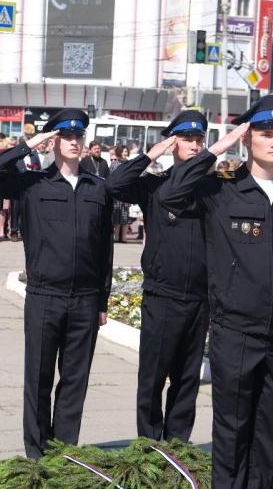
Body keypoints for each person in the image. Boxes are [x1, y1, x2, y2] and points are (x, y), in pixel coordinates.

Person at [159, 95, 273, 489]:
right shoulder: (221, 191)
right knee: (230, 433)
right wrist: (216, 149)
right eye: (265, 133)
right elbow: (170, 195)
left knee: (267, 434)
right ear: (248, 139)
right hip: (236, 333)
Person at [0, 109, 112, 460]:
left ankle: (63, 452)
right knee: (38, 378)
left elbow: (104, 249)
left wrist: (102, 300)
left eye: (78, 136)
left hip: (84, 299)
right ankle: (37, 455)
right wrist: (30, 143)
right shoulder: (34, 183)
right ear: (54, 141)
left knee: (74, 381)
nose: (74, 141)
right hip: (44, 295)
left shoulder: (97, 188)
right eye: (66, 136)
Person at [106, 110, 209, 443]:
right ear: (173, 142)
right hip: (163, 295)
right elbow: (116, 184)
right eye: (186, 139)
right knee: (152, 376)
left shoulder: (212, 188)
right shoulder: (154, 184)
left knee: (187, 378)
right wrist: (152, 153)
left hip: (200, 297)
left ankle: (178, 444)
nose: (194, 146)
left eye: (198, 140)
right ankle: (149, 445)